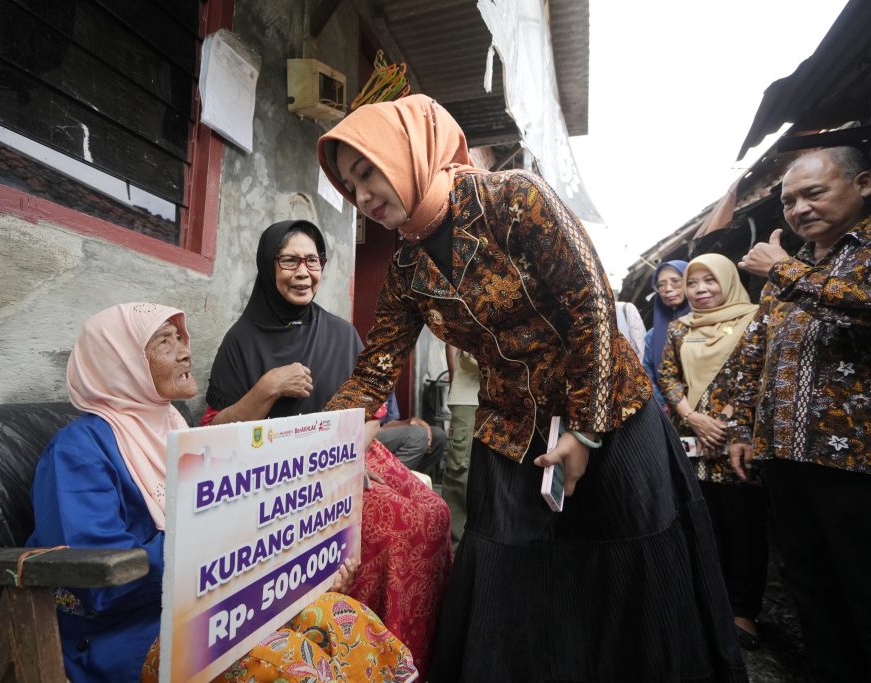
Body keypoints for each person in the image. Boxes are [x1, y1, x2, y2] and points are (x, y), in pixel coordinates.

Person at [316, 94, 745, 681]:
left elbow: (590, 303)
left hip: (607, 410)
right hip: (513, 425)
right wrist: (328, 439)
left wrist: (586, 431)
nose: (361, 196)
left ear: (410, 152)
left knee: (628, 557)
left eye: (367, 172)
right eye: (349, 185)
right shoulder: (406, 269)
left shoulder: (511, 198)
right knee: (505, 566)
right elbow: (376, 367)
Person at [26, 303, 417, 683]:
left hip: (222, 606)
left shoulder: (177, 432)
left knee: (349, 623)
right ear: (121, 362)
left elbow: (237, 531)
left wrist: (297, 568)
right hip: (129, 630)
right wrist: (233, 544)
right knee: (286, 665)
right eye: (165, 342)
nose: (185, 352)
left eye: (181, 338)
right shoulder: (78, 450)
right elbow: (99, 575)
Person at [203, 220, 453, 672]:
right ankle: (376, 655)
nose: (303, 272)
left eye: (313, 261)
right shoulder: (240, 343)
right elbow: (213, 434)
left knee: (435, 514)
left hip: (354, 452)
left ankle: (419, 655)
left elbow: (373, 414)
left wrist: (346, 458)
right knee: (399, 530)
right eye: (289, 261)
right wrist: (267, 387)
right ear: (268, 266)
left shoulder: (340, 333)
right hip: (284, 478)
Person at [733, 146, 871, 680]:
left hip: (856, 460)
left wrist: (785, 271)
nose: (798, 209)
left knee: (862, 581)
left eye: (813, 193)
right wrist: (743, 426)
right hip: (788, 454)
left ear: (861, 184)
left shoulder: (826, 262)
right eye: (790, 201)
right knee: (809, 584)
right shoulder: (799, 267)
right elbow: (755, 351)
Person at [657, 253, 768, 650]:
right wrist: (693, 417)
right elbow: (667, 375)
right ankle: (704, 600)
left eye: (710, 281)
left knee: (743, 525)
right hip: (690, 438)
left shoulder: (755, 318)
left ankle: (742, 611)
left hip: (736, 439)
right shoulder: (678, 327)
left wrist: (721, 423)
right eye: (693, 283)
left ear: (728, 280)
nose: (700, 290)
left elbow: (758, 374)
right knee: (698, 520)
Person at [643, 260, 691, 407]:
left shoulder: (710, 324)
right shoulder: (652, 335)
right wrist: (668, 406)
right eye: (660, 285)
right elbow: (647, 375)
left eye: (676, 281)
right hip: (670, 413)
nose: (668, 289)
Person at [444, 344, 478, 545]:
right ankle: (453, 554)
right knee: (461, 476)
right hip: (469, 394)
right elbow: (452, 339)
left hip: (512, 397)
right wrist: (455, 376)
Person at [376, 391, 447, 480]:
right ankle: (389, 483)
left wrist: (410, 421)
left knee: (438, 435)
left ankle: (414, 482)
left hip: (379, 431)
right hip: (362, 435)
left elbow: (388, 423)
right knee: (418, 435)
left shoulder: (387, 382)